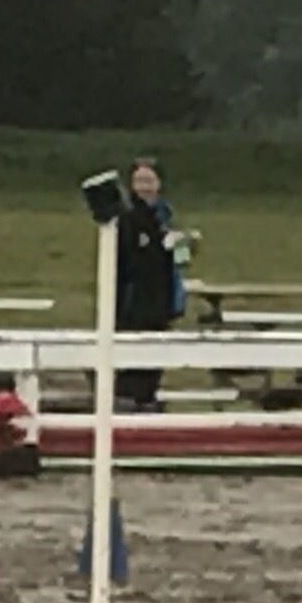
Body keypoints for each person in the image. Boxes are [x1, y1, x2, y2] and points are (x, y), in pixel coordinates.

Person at [112, 156, 182, 412]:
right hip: (135, 297)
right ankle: (128, 403)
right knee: (133, 355)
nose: (144, 186)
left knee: (155, 354)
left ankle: (147, 401)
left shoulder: (164, 214)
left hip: (161, 295)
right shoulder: (127, 216)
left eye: (149, 180)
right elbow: (128, 258)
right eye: (139, 181)